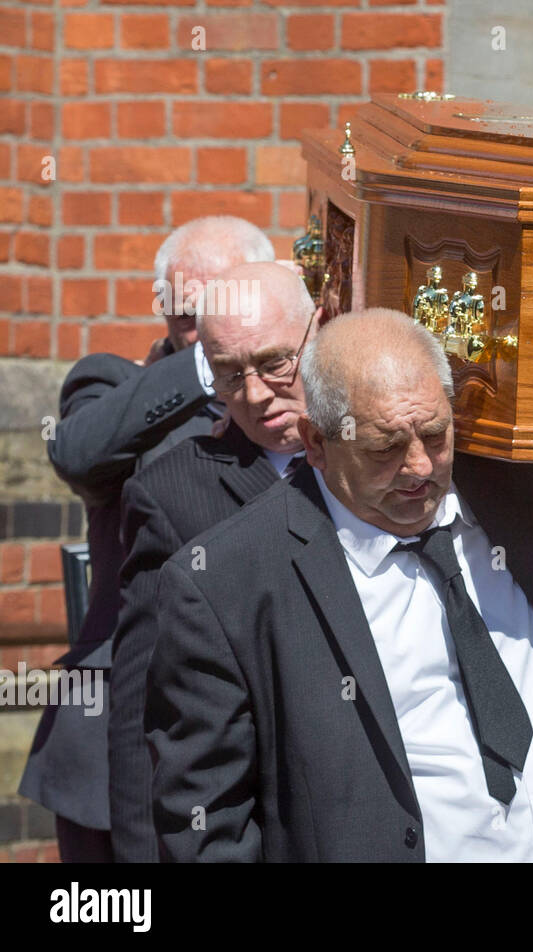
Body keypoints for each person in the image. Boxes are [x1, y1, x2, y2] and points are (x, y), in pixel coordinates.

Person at [145, 308, 533, 862]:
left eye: (434, 435)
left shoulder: (524, 500)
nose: (418, 467)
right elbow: (206, 826)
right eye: (384, 448)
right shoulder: (229, 584)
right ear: (315, 442)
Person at [19, 215, 274, 862]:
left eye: (214, 304)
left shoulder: (285, 404)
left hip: (242, 722)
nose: (194, 319)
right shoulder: (115, 385)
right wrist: (210, 354)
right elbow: (76, 451)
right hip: (114, 738)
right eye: (183, 309)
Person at [109, 263, 316, 862]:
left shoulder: (387, 455)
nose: (254, 396)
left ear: (319, 329)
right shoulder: (173, 494)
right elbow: (139, 710)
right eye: (230, 377)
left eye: (278, 363)